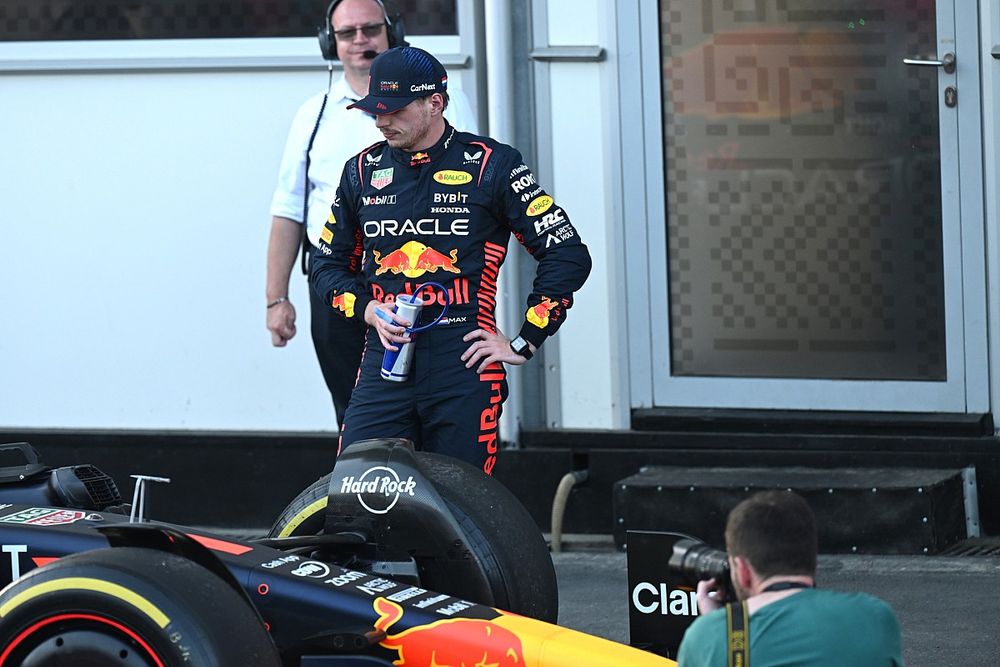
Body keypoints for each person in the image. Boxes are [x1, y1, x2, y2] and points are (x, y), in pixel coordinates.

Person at [311, 46, 591, 475]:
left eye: (394, 110)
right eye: (374, 109)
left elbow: (566, 252)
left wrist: (524, 340)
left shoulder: (492, 166)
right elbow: (326, 266)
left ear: (434, 103)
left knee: (462, 509)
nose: (381, 120)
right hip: (383, 358)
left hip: (463, 363)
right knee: (356, 492)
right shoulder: (360, 173)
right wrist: (367, 309)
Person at [266, 0, 477, 427]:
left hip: (420, 280)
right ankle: (367, 490)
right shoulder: (314, 114)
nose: (361, 40)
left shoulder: (438, 104)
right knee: (355, 410)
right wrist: (277, 299)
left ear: (391, 32)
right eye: (347, 33)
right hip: (338, 280)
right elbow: (289, 209)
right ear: (331, 42)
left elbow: (478, 189)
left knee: (433, 409)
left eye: (370, 29)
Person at [677, 490, 903, 666]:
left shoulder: (706, 637)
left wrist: (717, 627)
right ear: (810, 557)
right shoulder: (874, 617)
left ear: (743, 571)